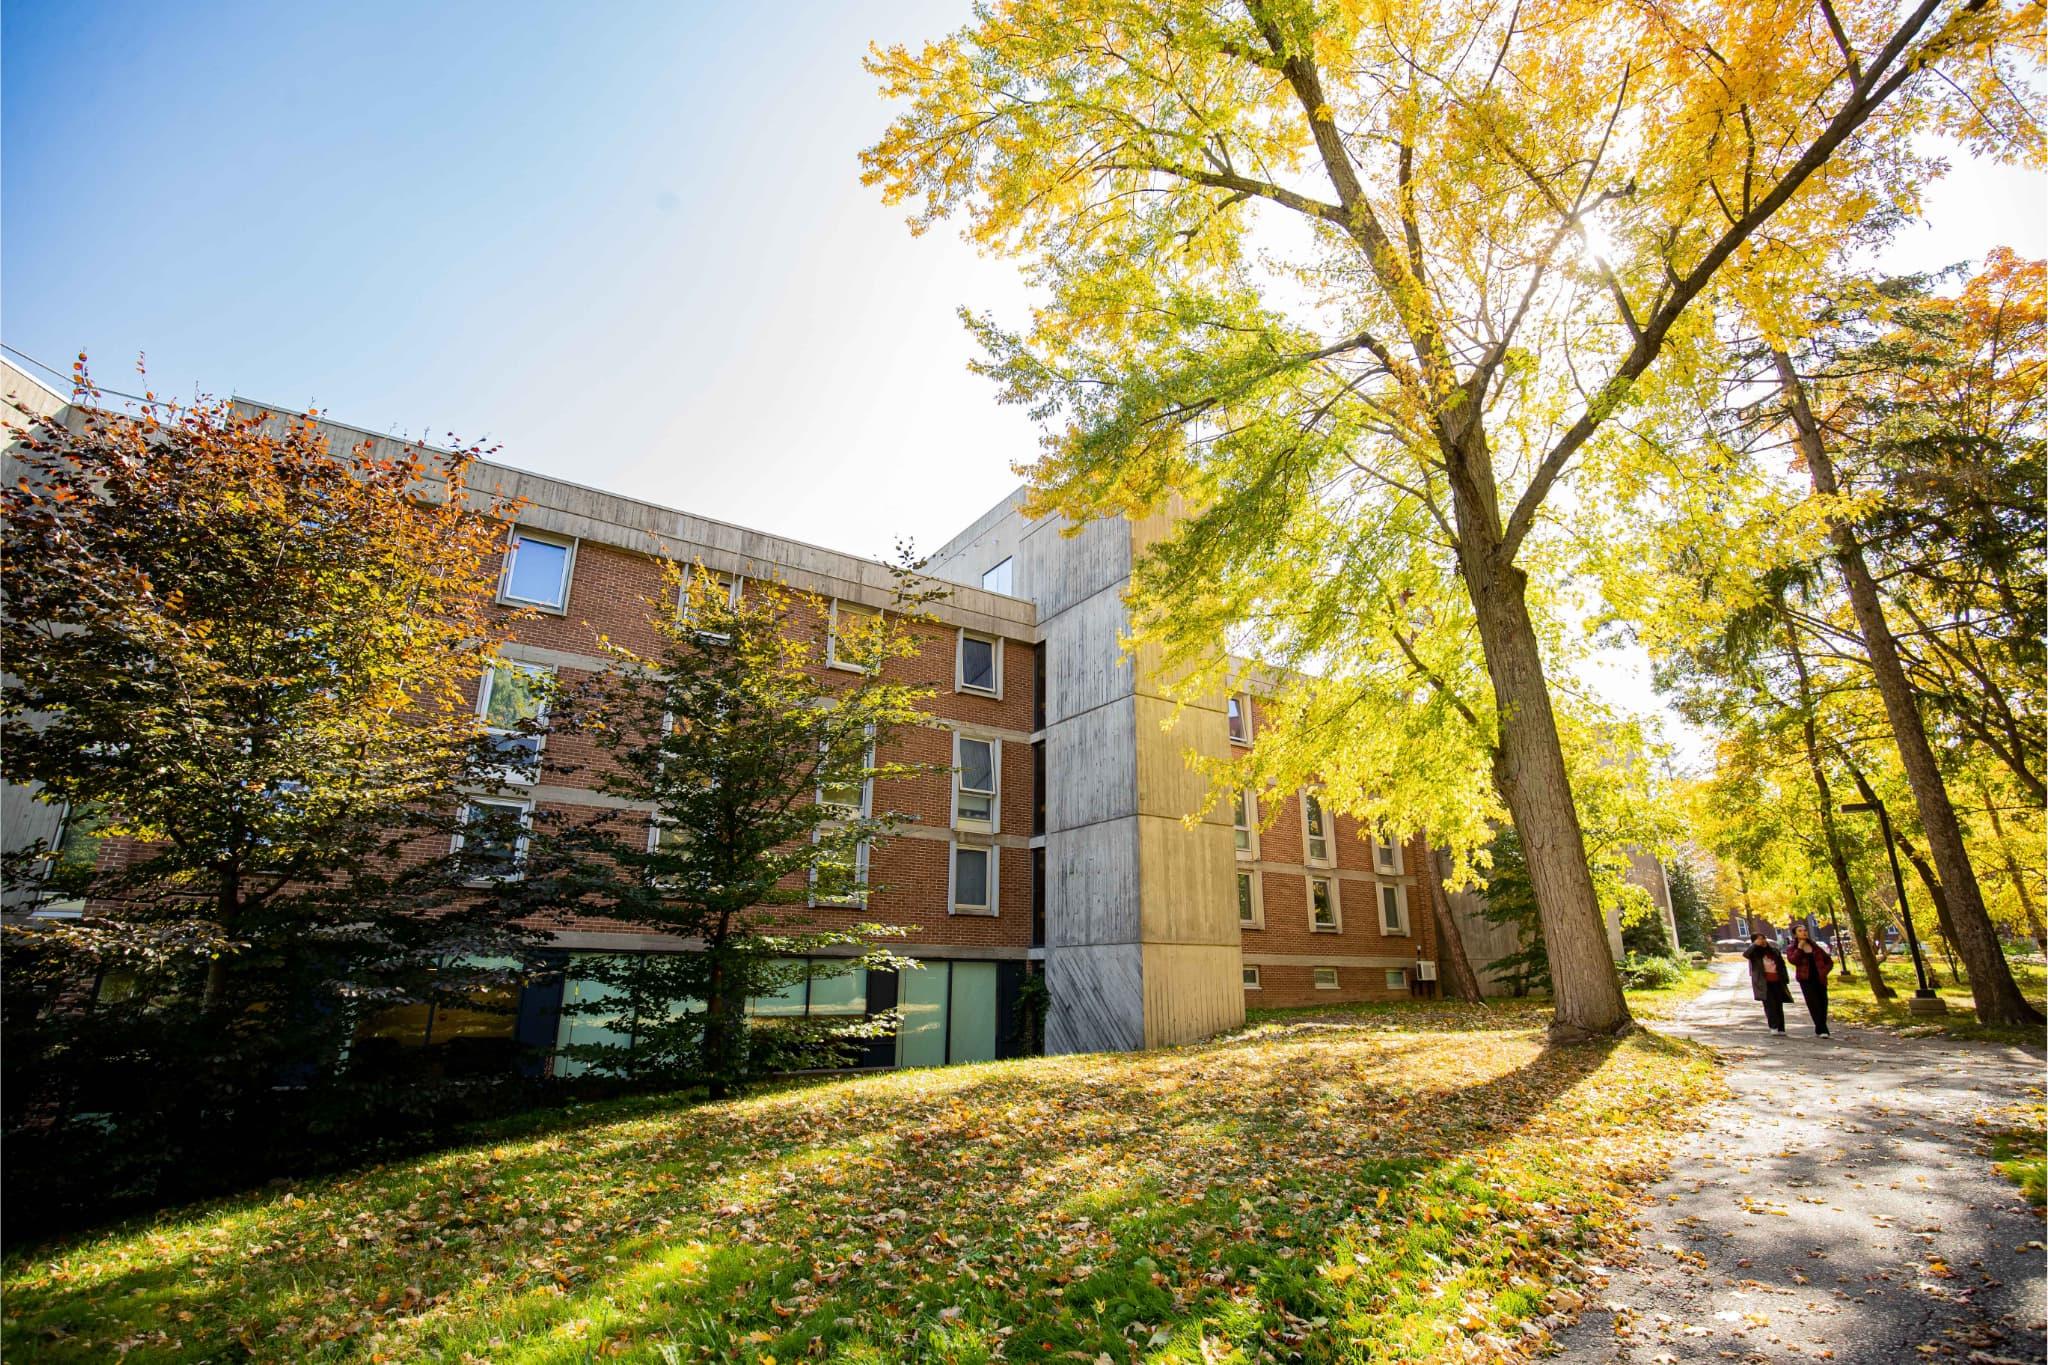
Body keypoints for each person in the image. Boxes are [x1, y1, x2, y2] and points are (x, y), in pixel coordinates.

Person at [1786, 923, 1833, 1036]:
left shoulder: (1815, 947)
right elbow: (1793, 960)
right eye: (1800, 931)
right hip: (1806, 979)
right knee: (1813, 1003)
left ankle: (1820, 1026)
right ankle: (1822, 1029)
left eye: (1805, 930)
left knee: (1823, 1002)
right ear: (1795, 935)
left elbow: (1829, 961)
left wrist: (1824, 972)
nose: (1804, 932)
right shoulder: (1792, 948)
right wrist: (1800, 948)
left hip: (1820, 978)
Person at [1743, 931, 1794, 1035]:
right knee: (1770, 1005)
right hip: (1764, 983)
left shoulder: (1774, 951)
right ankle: (1773, 1026)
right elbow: (1746, 954)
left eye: (1763, 938)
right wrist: (1755, 945)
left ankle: (1781, 1028)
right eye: (1759, 939)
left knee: (1778, 1004)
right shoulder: (1755, 953)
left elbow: (1782, 965)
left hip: (1777, 981)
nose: (1762, 941)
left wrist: (1785, 978)